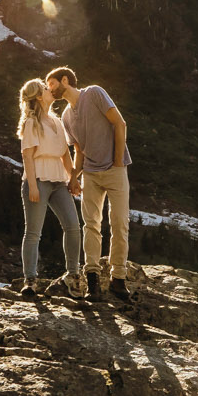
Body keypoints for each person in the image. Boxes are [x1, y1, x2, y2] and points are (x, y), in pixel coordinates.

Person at [46, 66, 132, 302]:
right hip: (91, 175)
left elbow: (119, 123)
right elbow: (78, 150)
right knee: (91, 225)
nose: (49, 88)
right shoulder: (65, 116)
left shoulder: (94, 93)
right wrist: (74, 176)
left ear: (65, 80)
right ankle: (92, 280)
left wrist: (116, 161)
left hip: (115, 170)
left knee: (119, 224)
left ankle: (118, 279)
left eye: (52, 83)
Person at [15, 78, 84, 299]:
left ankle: (73, 275)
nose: (50, 90)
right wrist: (32, 185)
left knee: (73, 226)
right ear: (37, 96)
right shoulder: (31, 122)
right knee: (34, 232)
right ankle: (30, 281)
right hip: (38, 180)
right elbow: (27, 155)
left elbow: (65, 154)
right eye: (45, 89)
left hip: (58, 180)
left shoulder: (56, 121)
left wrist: (73, 178)